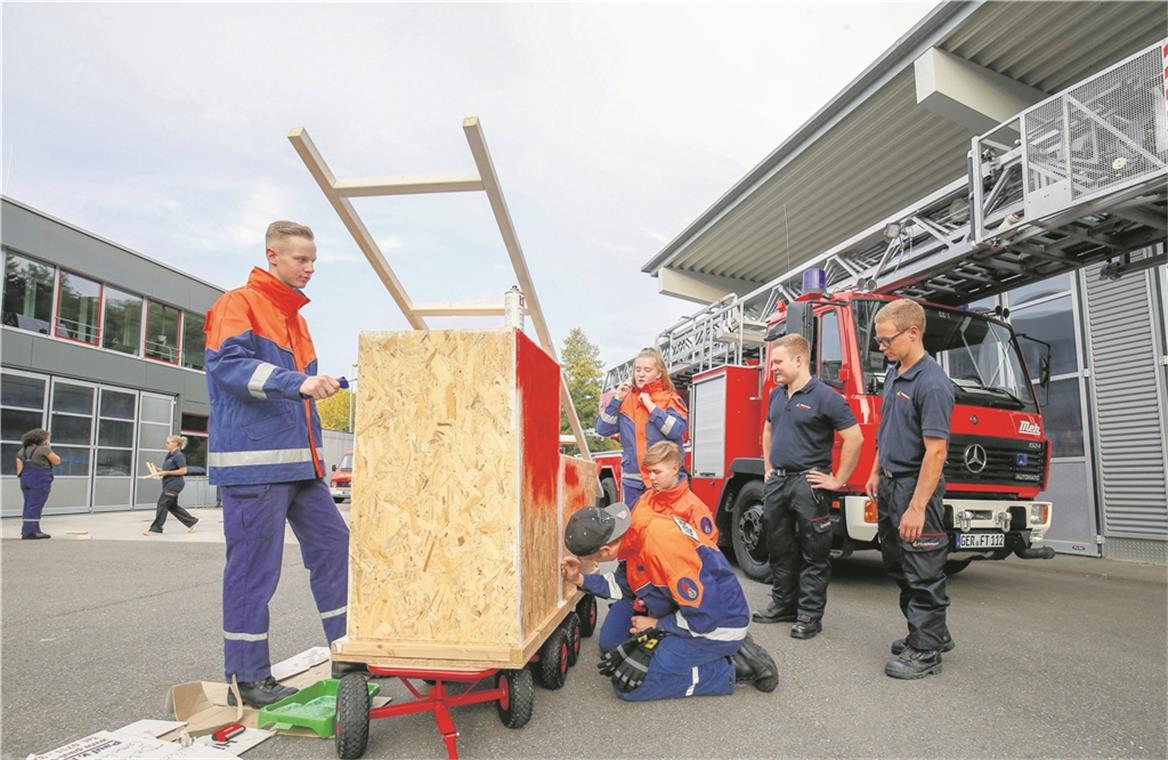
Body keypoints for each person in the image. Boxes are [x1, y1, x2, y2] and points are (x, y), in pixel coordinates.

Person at [204, 220, 352, 707]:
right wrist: (299, 383)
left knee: (335, 546)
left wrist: (317, 385)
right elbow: (227, 367)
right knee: (252, 570)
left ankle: (349, 650)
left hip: (300, 468)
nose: (310, 269)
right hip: (253, 468)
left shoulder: (296, 318)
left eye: (313, 261)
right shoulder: (237, 304)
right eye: (300, 260)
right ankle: (245, 679)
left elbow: (296, 390)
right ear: (272, 255)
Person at [561, 463, 778, 701]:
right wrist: (579, 578)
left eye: (591, 559)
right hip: (692, 609)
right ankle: (703, 652)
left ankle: (732, 668)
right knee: (615, 646)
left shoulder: (661, 548)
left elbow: (705, 614)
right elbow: (623, 585)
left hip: (716, 623)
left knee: (629, 687)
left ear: (604, 550)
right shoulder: (633, 529)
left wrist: (657, 625)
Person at [862, 299, 956, 680]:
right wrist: (874, 471)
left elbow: (936, 452)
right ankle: (930, 631)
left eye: (886, 341)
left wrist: (917, 508)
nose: (882, 348)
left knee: (922, 569)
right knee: (898, 563)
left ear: (913, 333)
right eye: (880, 341)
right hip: (889, 484)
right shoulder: (894, 373)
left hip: (916, 489)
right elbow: (887, 430)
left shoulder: (932, 383)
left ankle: (927, 650)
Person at [752, 333, 863, 639]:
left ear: (799, 360)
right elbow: (767, 430)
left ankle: (809, 616)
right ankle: (783, 603)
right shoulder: (777, 394)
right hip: (778, 482)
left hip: (808, 484)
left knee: (815, 552)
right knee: (779, 547)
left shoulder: (826, 396)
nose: (772, 367)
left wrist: (838, 480)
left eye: (777, 361)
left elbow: (855, 438)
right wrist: (768, 468)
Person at [577, 441, 719, 653]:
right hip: (636, 588)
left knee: (656, 653)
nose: (651, 478)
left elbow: (705, 570)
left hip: (671, 597)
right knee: (610, 646)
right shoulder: (644, 500)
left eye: (656, 472)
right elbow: (628, 547)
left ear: (675, 469)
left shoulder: (695, 511)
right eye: (648, 471)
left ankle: (719, 642)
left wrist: (662, 618)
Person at [595, 347, 687, 506]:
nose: (641, 374)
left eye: (647, 370)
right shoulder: (625, 400)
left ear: (659, 373)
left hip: (664, 482)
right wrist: (616, 400)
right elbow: (602, 429)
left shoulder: (670, 399)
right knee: (635, 527)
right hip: (633, 482)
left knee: (663, 528)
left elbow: (676, 431)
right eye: (638, 369)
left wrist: (652, 407)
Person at [143, 435, 200, 535]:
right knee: (172, 506)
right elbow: (168, 470)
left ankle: (156, 529)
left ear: (175, 444)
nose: (166, 445)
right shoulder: (169, 455)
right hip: (168, 483)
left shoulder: (179, 456)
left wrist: (166, 473)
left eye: (168, 443)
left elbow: (183, 470)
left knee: (162, 503)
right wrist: (158, 470)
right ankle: (191, 521)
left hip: (174, 484)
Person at [15, 428, 60, 539]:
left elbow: (19, 469)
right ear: (42, 439)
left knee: (29, 505)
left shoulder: (21, 451)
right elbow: (57, 460)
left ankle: (31, 529)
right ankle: (30, 532)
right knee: (35, 505)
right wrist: (49, 448)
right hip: (40, 480)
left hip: (25, 480)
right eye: (47, 438)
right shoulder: (44, 449)